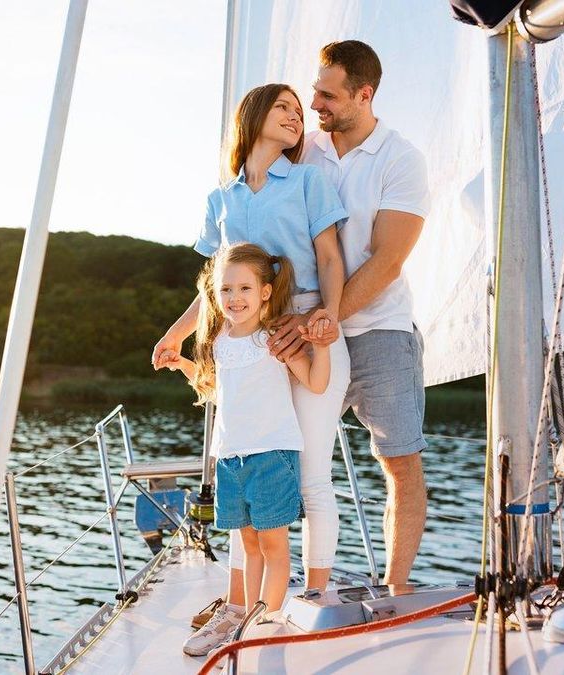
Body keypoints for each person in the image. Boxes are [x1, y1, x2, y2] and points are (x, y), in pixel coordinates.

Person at [151, 83, 349, 656]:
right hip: (241, 344)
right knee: (240, 477)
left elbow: (332, 258)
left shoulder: (310, 180)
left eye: (298, 109)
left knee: (307, 473)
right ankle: (241, 608)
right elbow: (218, 286)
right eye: (284, 107)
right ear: (255, 117)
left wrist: (326, 321)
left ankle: (304, 603)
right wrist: (178, 333)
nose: (296, 117)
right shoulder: (223, 201)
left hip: (305, 331)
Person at [298, 40, 432, 587]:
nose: (315, 104)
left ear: (364, 94)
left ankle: (396, 589)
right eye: (314, 91)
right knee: (288, 459)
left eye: (327, 95)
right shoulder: (302, 149)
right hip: (307, 330)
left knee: (400, 463)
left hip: (380, 330)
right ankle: (286, 583)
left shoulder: (402, 159)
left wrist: (325, 318)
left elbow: (388, 262)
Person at [161, 243, 330, 656]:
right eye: (225, 291)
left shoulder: (274, 337)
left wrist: (322, 346)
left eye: (244, 289)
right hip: (231, 459)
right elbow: (218, 390)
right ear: (214, 296)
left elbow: (316, 383)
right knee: (249, 545)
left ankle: (265, 624)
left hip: (271, 456)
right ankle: (245, 619)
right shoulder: (219, 339)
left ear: (265, 293)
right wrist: (181, 364)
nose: (234, 298)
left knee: (274, 548)